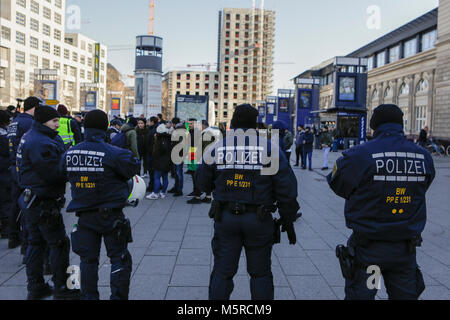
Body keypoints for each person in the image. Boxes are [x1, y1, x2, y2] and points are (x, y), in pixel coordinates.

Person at [328, 104, 435, 300]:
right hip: (403, 253)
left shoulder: (360, 155)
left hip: (370, 253)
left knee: (364, 295)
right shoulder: (423, 157)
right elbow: (423, 187)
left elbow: (337, 184)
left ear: (374, 126)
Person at [196, 104, 299, 300]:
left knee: (222, 272)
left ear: (233, 122)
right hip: (259, 219)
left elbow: (202, 183)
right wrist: (288, 218)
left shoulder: (218, 147)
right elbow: (287, 189)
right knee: (260, 273)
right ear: (255, 124)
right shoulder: (270, 148)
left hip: (225, 217)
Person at [63, 110, 140, 300]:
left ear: (85, 127)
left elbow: (60, 172)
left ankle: (89, 297)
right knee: (119, 259)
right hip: (111, 216)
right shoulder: (114, 153)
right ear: (105, 127)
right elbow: (132, 169)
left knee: (87, 261)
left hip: (84, 216)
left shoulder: (71, 152)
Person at [17, 105, 79, 300]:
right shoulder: (41, 142)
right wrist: (69, 169)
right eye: (54, 122)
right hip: (44, 201)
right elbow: (53, 173)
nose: (57, 125)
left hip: (32, 198)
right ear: (44, 121)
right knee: (59, 243)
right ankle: (63, 287)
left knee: (35, 243)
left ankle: (35, 287)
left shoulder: (33, 135)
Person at [7, 97, 40, 250]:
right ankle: (26, 241)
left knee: (15, 203)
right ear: (34, 107)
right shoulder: (29, 123)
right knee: (28, 204)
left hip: (13, 165)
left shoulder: (14, 121)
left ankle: (13, 236)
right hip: (25, 168)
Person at [188, 120, 215, 204]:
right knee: (207, 177)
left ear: (203, 126)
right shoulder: (210, 132)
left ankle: (197, 196)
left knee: (197, 177)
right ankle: (208, 196)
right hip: (209, 159)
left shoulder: (206, 134)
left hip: (203, 159)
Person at [146, 124, 172, 200]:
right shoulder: (168, 138)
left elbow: (155, 152)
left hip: (159, 162)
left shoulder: (159, 140)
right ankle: (163, 192)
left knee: (157, 177)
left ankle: (155, 193)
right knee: (165, 177)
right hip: (167, 161)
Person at [0, 110, 11, 239]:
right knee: (5, 200)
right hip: (3, 171)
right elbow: (8, 151)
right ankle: (6, 229)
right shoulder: (3, 135)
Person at [146, 117, 159, 191]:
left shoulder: (152, 130)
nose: (148, 123)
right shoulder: (157, 129)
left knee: (151, 171)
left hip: (151, 154)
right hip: (154, 154)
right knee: (154, 171)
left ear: (153, 122)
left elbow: (149, 143)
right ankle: (157, 185)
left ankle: (152, 186)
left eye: (149, 121)